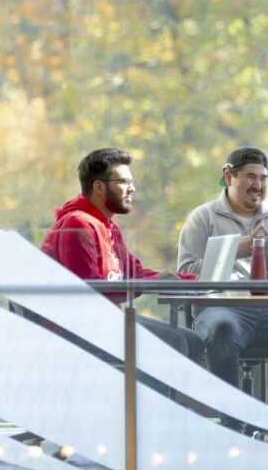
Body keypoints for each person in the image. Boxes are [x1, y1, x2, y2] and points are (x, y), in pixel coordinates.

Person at [176, 146, 268, 433]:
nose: (258, 185)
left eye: (264, 178)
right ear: (229, 177)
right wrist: (237, 249)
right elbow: (186, 272)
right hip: (223, 308)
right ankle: (234, 427)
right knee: (222, 329)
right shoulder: (203, 218)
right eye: (250, 177)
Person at [41, 147, 204, 362]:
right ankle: (139, 396)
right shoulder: (78, 224)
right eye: (124, 182)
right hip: (77, 327)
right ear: (99, 186)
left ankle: (157, 395)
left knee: (193, 341)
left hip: (106, 320)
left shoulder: (107, 226)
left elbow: (135, 273)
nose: (132, 189)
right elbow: (90, 292)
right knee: (174, 342)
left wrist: (199, 279)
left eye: (132, 182)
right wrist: (151, 283)